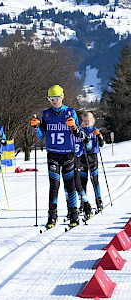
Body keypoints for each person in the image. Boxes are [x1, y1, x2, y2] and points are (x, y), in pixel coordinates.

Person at [31, 85, 81, 229]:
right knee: (54, 185)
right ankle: (52, 215)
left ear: (62, 97)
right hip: (52, 153)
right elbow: (41, 135)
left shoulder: (70, 112)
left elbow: (77, 133)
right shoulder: (46, 114)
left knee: (70, 184)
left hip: (68, 154)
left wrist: (74, 127)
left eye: (56, 98)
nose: (54, 101)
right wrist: (36, 127)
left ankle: (73, 213)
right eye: (51, 99)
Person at [80, 112, 105, 212]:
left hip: (93, 158)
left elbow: (101, 144)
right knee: (83, 182)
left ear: (92, 121)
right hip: (82, 158)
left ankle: (99, 200)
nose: (86, 122)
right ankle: (83, 202)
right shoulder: (80, 131)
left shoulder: (95, 130)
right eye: (85, 121)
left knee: (95, 181)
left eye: (88, 120)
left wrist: (99, 136)